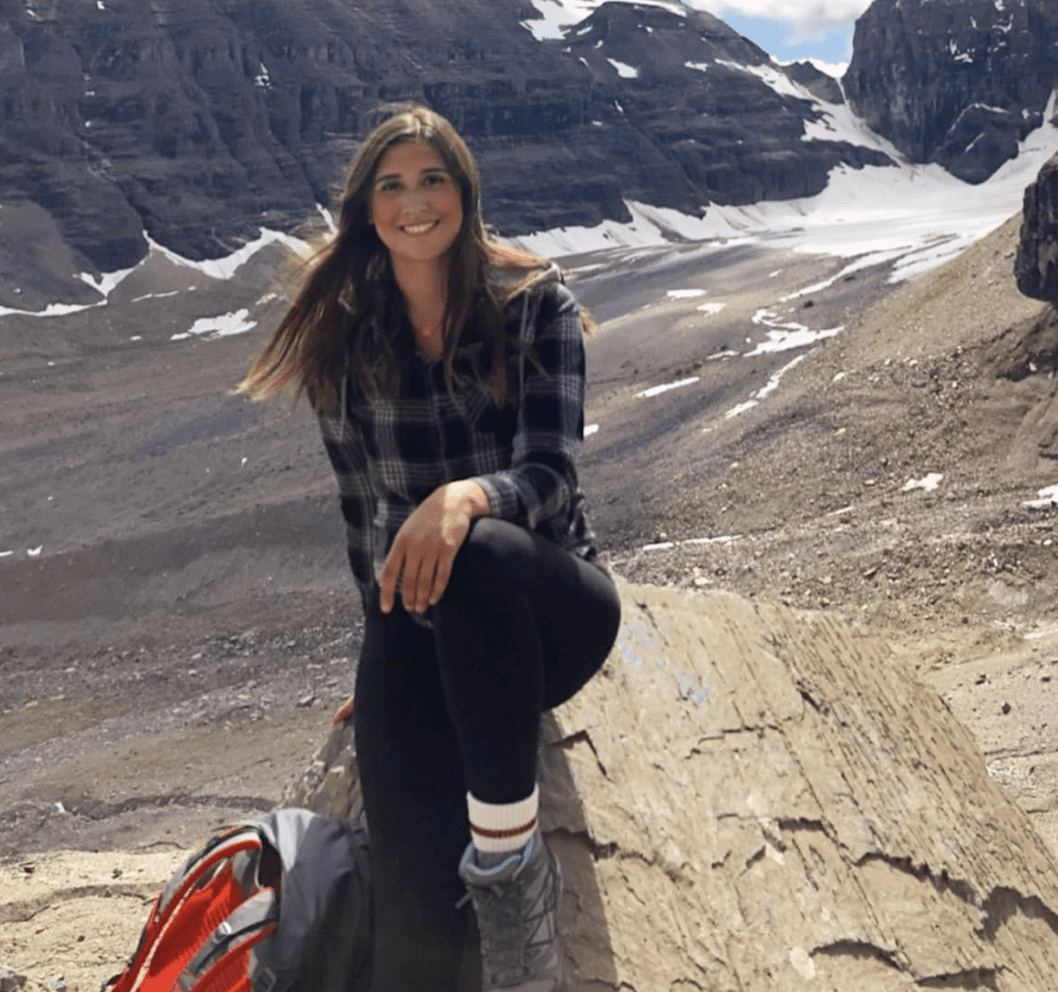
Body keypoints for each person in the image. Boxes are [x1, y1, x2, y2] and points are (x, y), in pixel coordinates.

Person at [239, 103, 622, 992]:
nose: (416, 203)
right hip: (419, 623)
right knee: (412, 923)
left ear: (465, 191)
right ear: (369, 210)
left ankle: (511, 873)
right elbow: (360, 507)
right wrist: (375, 657)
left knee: (480, 555)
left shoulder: (537, 303)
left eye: (433, 179)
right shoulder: (347, 331)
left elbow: (553, 475)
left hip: (545, 606)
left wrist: (466, 501)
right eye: (394, 185)